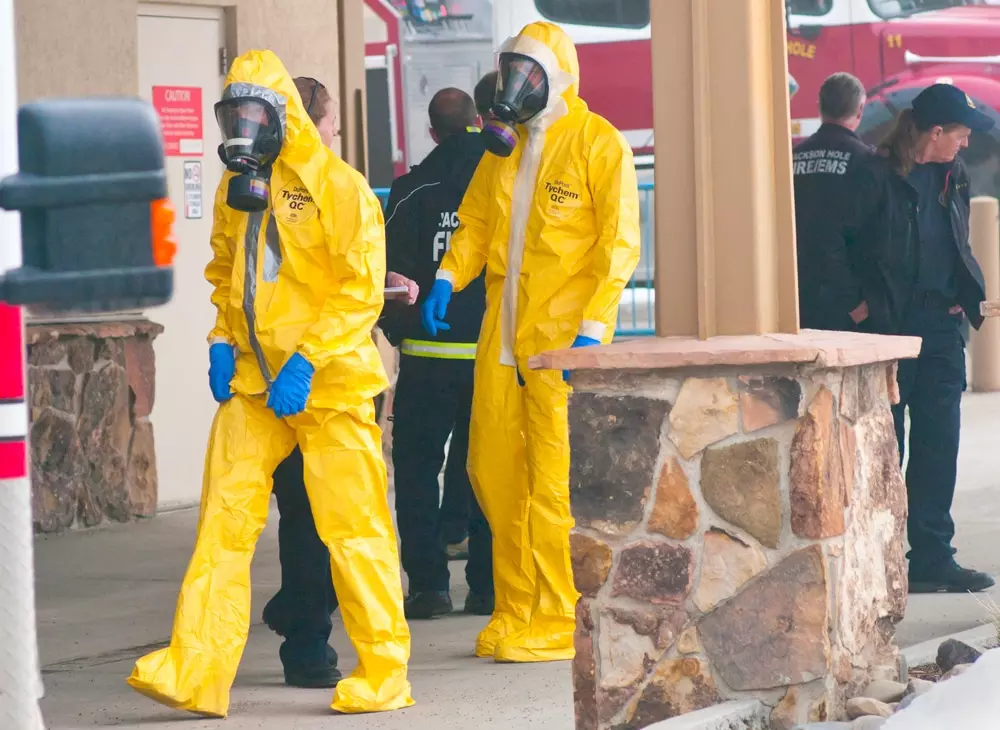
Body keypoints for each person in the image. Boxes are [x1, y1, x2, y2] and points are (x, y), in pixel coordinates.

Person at [126, 50, 413, 717]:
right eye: (233, 116)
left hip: (330, 388)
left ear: (285, 115)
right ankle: (196, 670)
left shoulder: (339, 188)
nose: (244, 129)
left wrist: (308, 360)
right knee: (223, 524)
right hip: (256, 387)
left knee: (355, 530)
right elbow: (228, 273)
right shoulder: (238, 190)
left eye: (255, 115)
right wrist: (222, 340)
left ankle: (384, 673)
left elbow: (359, 289)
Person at [421, 21, 641, 662]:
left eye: (529, 73)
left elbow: (618, 244)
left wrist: (592, 329)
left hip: (558, 343)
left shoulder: (597, 143)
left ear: (559, 77)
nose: (516, 84)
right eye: (510, 70)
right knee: (492, 471)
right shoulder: (505, 147)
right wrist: (447, 276)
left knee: (551, 480)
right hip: (503, 335)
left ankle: (556, 614)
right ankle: (515, 607)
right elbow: (475, 222)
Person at [845, 83, 995, 593]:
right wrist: (859, 307)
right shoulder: (875, 174)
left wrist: (961, 294)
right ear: (934, 132)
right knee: (887, 445)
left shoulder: (955, 173)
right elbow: (843, 245)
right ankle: (880, 558)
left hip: (940, 329)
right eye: (960, 134)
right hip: (888, 329)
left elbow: (957, 239)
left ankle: (932, 556)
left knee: (939, 442)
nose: (966, 143)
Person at [380, 87, 493, 620]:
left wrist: (398, 333)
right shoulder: (498, 178)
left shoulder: (410, 189)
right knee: (486, 470)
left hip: (427, 361)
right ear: (477, 122)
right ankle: (488, 587)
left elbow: (388, 276)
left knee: (417, 470)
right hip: (489, 358)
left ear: (432, 132)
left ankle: (428, 588)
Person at [793, 72, 874, 331]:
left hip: (797, 296)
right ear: (860, 109)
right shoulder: (866, 161)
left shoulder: (792, 157)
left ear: (820, 106)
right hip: (849, 304)